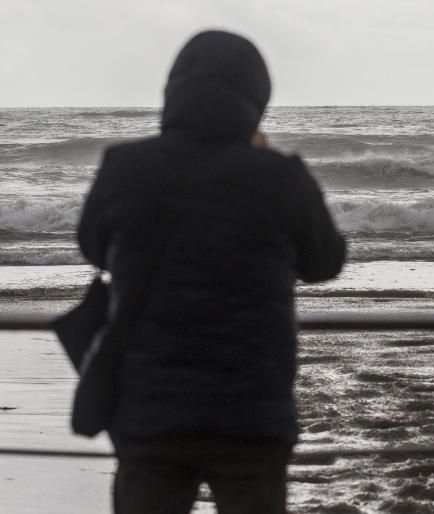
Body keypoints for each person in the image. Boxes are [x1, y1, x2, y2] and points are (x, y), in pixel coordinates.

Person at [77, 30, 346, 513]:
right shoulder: (280, 176)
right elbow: (326, 262)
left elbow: (91, 246)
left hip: (150, 410)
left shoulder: (125, 167)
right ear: (256, 101)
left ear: (173, 91)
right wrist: (262, 157)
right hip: (251, 414)